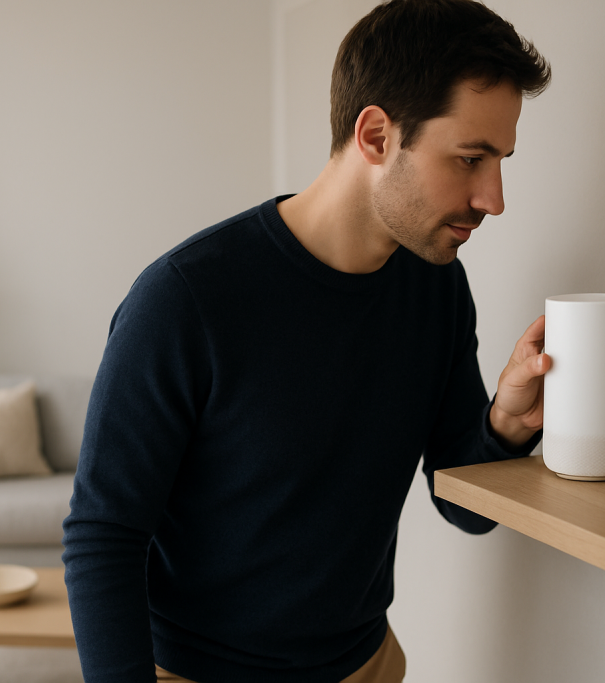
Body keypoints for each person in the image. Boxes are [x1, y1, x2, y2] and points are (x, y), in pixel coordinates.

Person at [62, 1, 552, 681]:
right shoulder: (184, 300)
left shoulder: (436, 290)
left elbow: (459, 501)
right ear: (377, 135)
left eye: (499, 160)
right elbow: (102, 536)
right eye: (471, 158)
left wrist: (503, 424)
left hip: (367, 665)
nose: (493, 197)